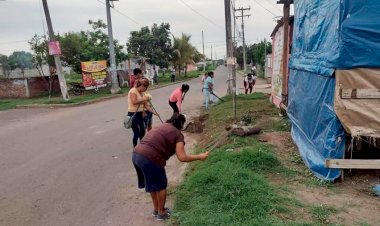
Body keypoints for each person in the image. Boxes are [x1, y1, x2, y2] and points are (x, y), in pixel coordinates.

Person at [132, 113, 209, 220]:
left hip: (136, 154)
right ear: (181, 124)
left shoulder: (163, 125)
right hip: (150, 158)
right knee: (161, 186)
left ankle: (156, 210)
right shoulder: (178, 134)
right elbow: (182, 157)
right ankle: (162, 213)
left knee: (153, 185)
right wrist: (199, 156)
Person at [127, 78, 157, 147]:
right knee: (136, 132)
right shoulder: (133, 91)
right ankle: (135, 146)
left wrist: (153, 112)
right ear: (141, 86)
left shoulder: (142, 93)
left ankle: (141, 146)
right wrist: (144, 99)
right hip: (133, 114)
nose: (145, 90)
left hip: (140, 114)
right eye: (145, 88)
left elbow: (146, 105)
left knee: (143, 131)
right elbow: (134, 102)